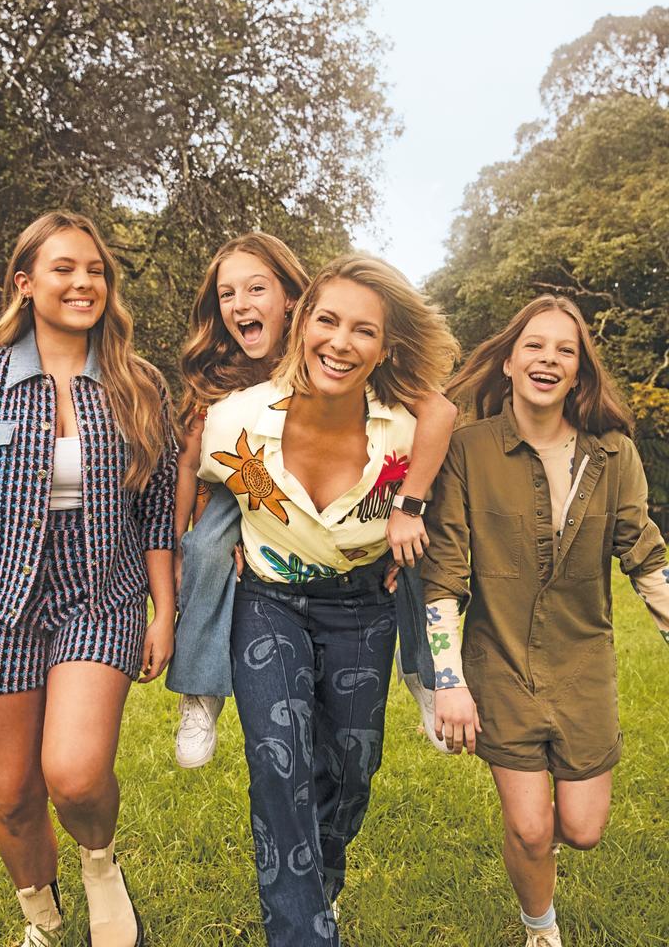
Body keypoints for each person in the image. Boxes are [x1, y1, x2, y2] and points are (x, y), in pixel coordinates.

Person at [0, 211, 177, 947]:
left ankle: (100, 865)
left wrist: (164, 611)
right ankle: (43, 922)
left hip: (98, 596)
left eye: (95, 270)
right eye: (63, 269)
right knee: (13, 796)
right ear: (26, 284)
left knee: (76, 775)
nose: (83, 282)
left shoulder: (136, 384)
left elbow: (155, 514)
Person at [198, 253, 459, 945]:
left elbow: (443, 409)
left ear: (385, 346)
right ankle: (303, 932)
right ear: (302, 322)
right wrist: (208, 545)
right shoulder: (234, 421)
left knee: (352, 766)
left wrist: (410, 504)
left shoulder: (403, 426)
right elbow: (188, 493)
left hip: (363, 607)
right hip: (270, 601)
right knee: (279, 762)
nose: (340, 343)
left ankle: (318, 889)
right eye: (328, 321)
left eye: (363, 331)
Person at [420, 296, 669, 947]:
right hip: (499, 665)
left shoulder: (612, 454)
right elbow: (443, 574)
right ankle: (541, 929)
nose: (548, 358)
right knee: (532, 828)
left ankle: (531, 840)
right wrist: (450, 681)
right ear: (508, 361)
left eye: (566, 350)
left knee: (581, 831)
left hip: (584, 667)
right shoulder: (465, 451)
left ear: (580, 373)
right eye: (535, 345)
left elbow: (643, 554)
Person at [168, 234, 457, 768]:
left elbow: (437, 410)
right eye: (227, 294)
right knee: (207, 548)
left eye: (257, 288)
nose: (241, 304)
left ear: (294, 303)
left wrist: (408, 503)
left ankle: (426, 675)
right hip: (245, 483)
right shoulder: (222, 377)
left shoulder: (332, 347)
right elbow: (196, 466)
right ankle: (200, 691)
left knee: (418, 543)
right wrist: (189, 535)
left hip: (347, 484)